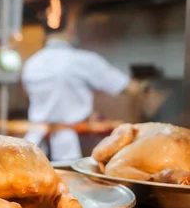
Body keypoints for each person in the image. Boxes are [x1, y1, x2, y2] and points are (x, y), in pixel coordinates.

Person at [22, 11, 144, 161]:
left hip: (36, 145)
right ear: (71, 29)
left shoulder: (31, 63)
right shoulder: (81, 60)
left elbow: (34, 97)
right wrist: (144, 86)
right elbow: (129, 87)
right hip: (71, 146)